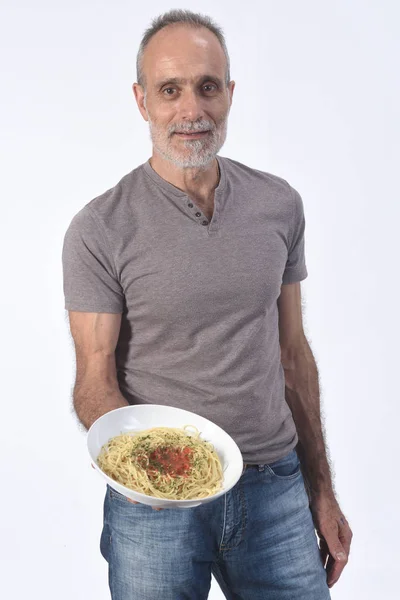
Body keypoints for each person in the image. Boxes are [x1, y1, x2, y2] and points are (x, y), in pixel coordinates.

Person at [62, 8, 352, 600]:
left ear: (230, 94)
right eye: (170, 90)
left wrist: (321, 489)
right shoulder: (99, 227)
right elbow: (94, 383)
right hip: (156, 507)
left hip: (275, 485)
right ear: (142, 102)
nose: (191, 110)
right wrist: (159, 470)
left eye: (207, 87)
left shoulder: (279, 204)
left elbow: (292, 353)